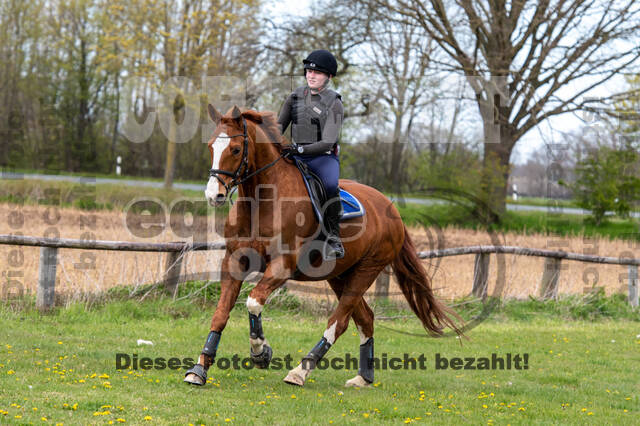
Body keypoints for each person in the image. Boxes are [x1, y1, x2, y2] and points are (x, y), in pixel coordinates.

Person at [278, 49, 345, 260]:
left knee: (330, 186)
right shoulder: (295, 97)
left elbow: (328, 141)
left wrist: (299, 149)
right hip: (295, 156)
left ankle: (333, 237)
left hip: (322, 158)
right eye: (308, 71)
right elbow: (278, 127)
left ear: (329, 77)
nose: (311, 75)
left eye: (317, 73)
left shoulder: (335, 103)